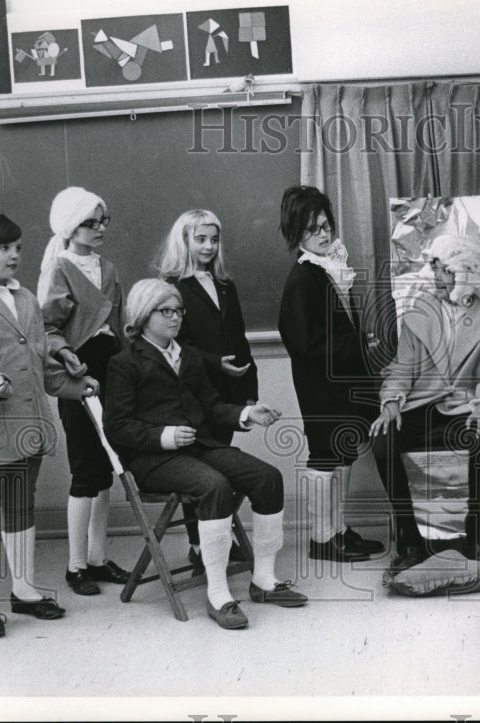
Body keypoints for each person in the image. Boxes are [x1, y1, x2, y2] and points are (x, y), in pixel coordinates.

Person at [104, 279, 307, 629]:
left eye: (179, 311)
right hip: (155, 460)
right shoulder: (124, 363)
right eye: (165, 311)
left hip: (200, 447)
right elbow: (117, 427)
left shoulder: (189, 355)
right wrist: (164, 436)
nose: (176, 318)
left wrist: (245, 414)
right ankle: (218, 594)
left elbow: (211, 407)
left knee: (267, 478)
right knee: (214, 486)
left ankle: (263, 581)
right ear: (142, 315)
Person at [0, 212, 98, 638]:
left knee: (20, 506)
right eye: (3, 247)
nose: (13, 255)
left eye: (17, 247)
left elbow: (40, 365)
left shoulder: (26, 298)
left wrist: (74, 382)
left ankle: (25, 590)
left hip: (27, 427)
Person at [370, 234, 480, 573]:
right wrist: (391, 402)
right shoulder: (417, 315)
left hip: (468, 407)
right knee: (382, 442)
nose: (435, 277)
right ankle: (411, 541)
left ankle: (473, 538)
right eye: (434, 269)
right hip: (421, 407)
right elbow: (400, 369)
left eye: (444, 271)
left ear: (465, 274)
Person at [277, 186, 386, 562]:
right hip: (320, 384)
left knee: (344, 451)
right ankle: (322, 539)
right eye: (313, 229)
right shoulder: (303, 277)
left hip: (345, 380)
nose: (324, 234)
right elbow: (303, 343)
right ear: (297, 234)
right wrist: (356, 346)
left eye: (326, 226)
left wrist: (358, 344)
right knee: (325, 454)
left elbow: (340, 324)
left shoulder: (332, 266)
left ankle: (337, 529)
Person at [37, 186, 129, 596]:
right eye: (91, 222)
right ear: (70, 227)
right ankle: (76, 566)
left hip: (112, 370)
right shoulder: (59, 268)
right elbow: (47, 328)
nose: (99, 229)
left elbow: (121, 323)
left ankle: (97, 557)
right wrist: (67, 359)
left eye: (103, 221)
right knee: (85, 468)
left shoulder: (107, 268)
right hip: (78, 372)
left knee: (109, 466)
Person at [156, 209, 257, 572]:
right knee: (198, 468)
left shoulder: (226, 284)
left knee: (221, 461)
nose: (209, 246)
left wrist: (249, 389)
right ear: (183, 241)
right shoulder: (171, 287)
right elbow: (175, 344)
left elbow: (240, 337)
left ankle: (217, 538)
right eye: (200, 239)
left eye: (214, 239)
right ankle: (200, 545)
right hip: (193, 394)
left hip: (228, 395)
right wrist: (216, 364)